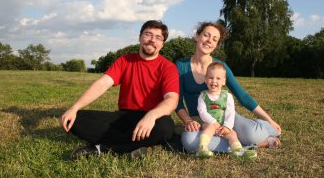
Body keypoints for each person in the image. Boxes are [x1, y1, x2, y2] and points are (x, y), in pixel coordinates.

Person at [60, 20, 180, 159]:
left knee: (165, 128)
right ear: (140, 37)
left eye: (158, 37)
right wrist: (74, 108)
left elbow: (171, 99)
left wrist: (151, 116)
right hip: (124, 116)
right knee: (74, 120)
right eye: (148, 34)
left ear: (162, 44)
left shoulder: (168, 67)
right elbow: (102, 84)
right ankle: (141, 144)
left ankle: (102, 148)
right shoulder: (125, 61)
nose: (152, 40)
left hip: (152, 118)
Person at [176, 21, 281, 153]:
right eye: (206, 35)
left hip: (226, 117)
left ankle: (261, 129)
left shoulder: (221, 66)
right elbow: (177, 102)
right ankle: (245, 146)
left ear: (216, 45)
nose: (209, 41)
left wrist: (269, 119)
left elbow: (242, 95)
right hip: (200, 121)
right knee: (190, 142)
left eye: (214, 39)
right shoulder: (180, 66)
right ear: (197, 36)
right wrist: (188, 121)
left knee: (252, 135)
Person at [196, 61, 257, 160]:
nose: (214, 81)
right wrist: (213, 122)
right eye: (211, 78)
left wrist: (227, 126)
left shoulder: (227, 96)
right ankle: (202, 148)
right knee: (210, 128)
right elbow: (202, 111)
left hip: (222, 125)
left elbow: (230, 113)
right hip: (207, 122)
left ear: (224, 81)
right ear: (206, 80)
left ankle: (238, 151)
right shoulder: (202, 96)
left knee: (232, 134)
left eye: (218, 78)